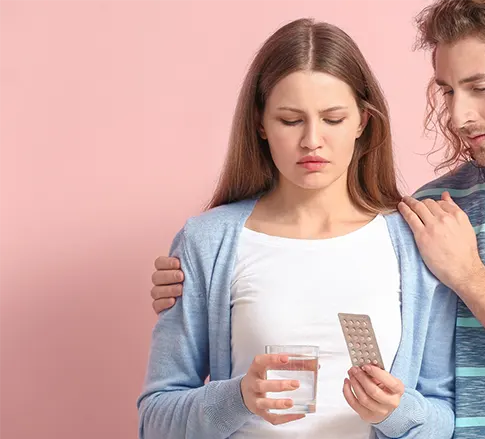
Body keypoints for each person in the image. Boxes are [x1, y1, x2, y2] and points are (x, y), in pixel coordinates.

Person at [151, 1, 485, 438]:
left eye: (480, 87)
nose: (457, 115)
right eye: (447, 91)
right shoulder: (430, 212)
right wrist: (195, 275)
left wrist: (469, 276)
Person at [137, 18, 456, 439]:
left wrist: (396, 412)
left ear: (363, 121)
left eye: (333, 119)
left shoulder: (415, 244)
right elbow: (154, 421)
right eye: (290, 120)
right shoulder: (207, 242)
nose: (312, 141)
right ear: (260, 124)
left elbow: (446, 418)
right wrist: (237, 398)